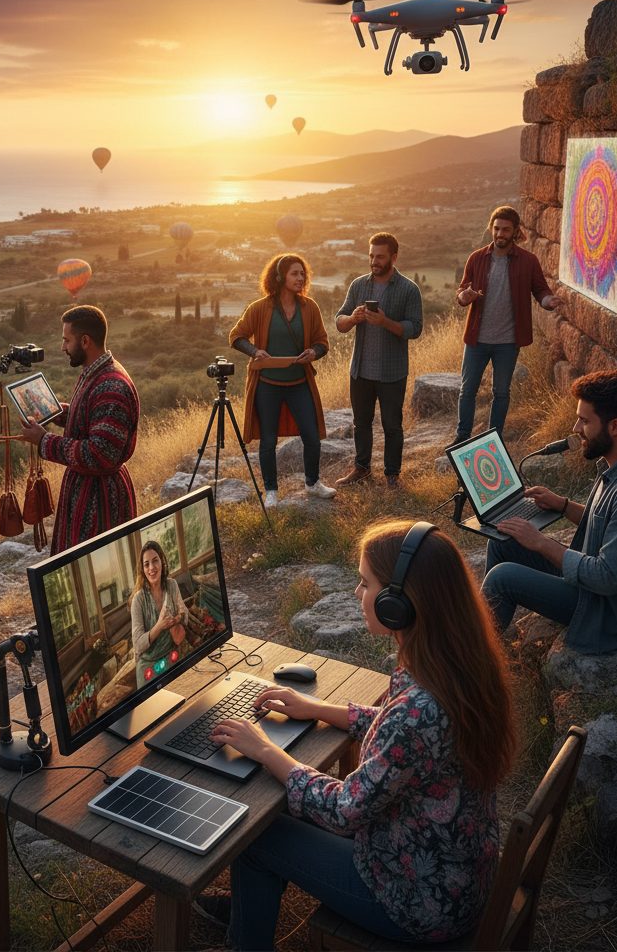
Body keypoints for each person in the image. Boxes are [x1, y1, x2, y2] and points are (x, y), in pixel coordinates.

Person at [202, 521, 516, 948]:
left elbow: (346, 810)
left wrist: (265, 750)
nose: (356, 593)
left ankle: (245, 938)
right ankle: (248, 908)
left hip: (417, 902)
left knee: (256, 835)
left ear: (398, 604)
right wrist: (316, 708)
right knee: (276, 816)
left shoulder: (419, 707)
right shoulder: (455, 662)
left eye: (365, 583)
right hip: (456, 873)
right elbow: (399, 736)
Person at [482, 370, 617, 653]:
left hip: (609, 613)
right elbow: (610, 523)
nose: (575, 429)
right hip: (594, 587)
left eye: (584, 421)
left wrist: (540, 542)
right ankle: (488, 635)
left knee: (502, 577)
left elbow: (606, 577)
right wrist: (562, 506)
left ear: (615, 427)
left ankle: (467, 661)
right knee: (502, 545)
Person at [20, 305, 140, 554]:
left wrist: (44, 441)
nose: (63, 347)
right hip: (87, 490)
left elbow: (100, 454)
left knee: (96, 574)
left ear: (85, 341)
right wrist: (55, 412)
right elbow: (91, 418)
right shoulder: (96, 373)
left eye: (67, 340)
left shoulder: (111, 386)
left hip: (100, 501)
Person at [450, 205, 563, 447]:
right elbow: (461, 292)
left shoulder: (528, 260)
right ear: (491, 229)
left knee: (501, 393)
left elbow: (540, 290)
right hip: (477, 339)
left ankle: (494, 439)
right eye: (496, 228)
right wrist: (463, 298)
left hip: (508, 342)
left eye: (506, 230)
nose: (500, 233)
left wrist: (548, 301)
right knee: (467, 390)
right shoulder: (476, 258)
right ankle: (462, 436)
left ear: (515, 232)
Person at [229, 253, 335, 507]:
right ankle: (271, 492)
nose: (301, 278)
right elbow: (236, 336)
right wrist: (254, 351)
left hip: (300, 383)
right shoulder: (259, 308)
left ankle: (312, 484)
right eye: (294, 274)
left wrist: (314, 352)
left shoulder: (310, 307)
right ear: (279, 277)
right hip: (267, 385)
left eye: (303, 274)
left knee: (311, 436)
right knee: (268, 441)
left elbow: (322, 342)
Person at [335, 232, 423, 490]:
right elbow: (339, 322)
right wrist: (352, 318)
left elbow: (415, 329)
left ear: (393, 257)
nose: (374, 261)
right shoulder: (358, 285)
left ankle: (392, 477)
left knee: (392, 426)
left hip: (392, 372)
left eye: (380, 257)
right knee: (361, 423)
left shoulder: (409, 289)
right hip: (361, 369)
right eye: (371, 256)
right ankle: (361, 469)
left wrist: (385, 322)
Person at [129, 541, 190, 688]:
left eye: (155, 561)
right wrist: (159, 626)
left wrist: (177, 619)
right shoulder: (138, 600)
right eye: (146, 564)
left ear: (162, 561)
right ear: (142, 570)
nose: (152, 568)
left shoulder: (172, 585)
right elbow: (137, 645)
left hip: (171, 656)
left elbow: (184, 613)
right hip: (148, 665)